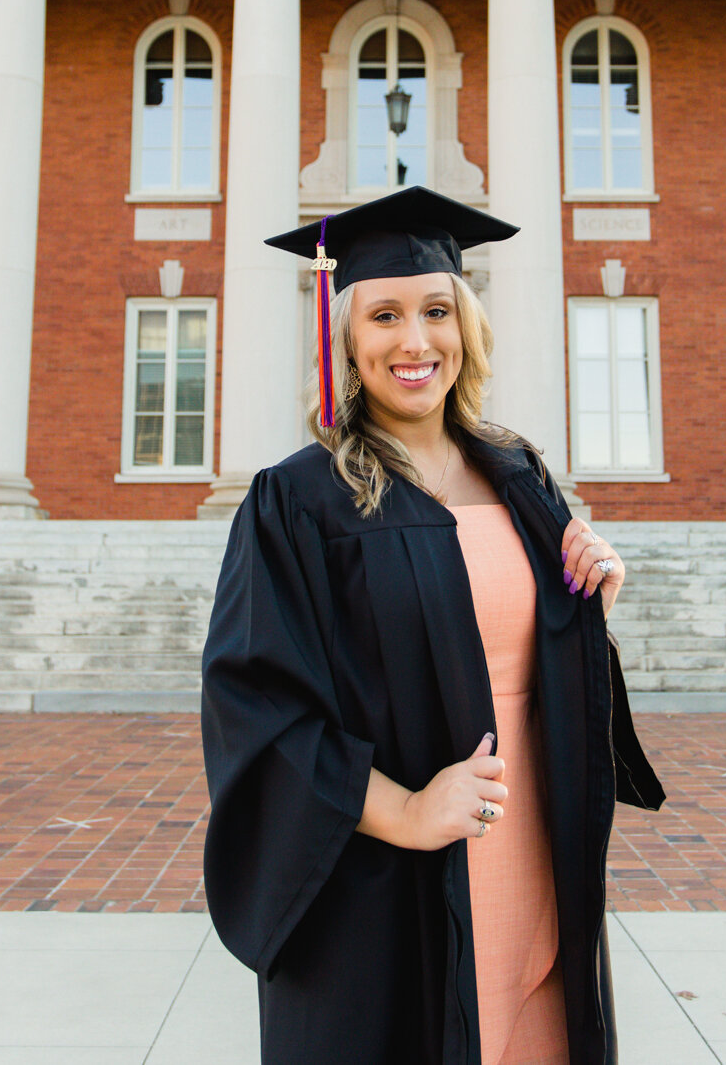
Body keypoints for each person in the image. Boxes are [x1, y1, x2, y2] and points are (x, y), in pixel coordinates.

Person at [201, 186, 666, 1065]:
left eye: (437, 311)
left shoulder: (520, 474)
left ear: (467, 326)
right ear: (344, 339)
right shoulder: (298, 501)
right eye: (384, 314)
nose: (416, 341)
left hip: (534, 859)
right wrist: (410, 809)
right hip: (389, 888)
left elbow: (528, 666)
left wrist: (585, 611)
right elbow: (257, 712)